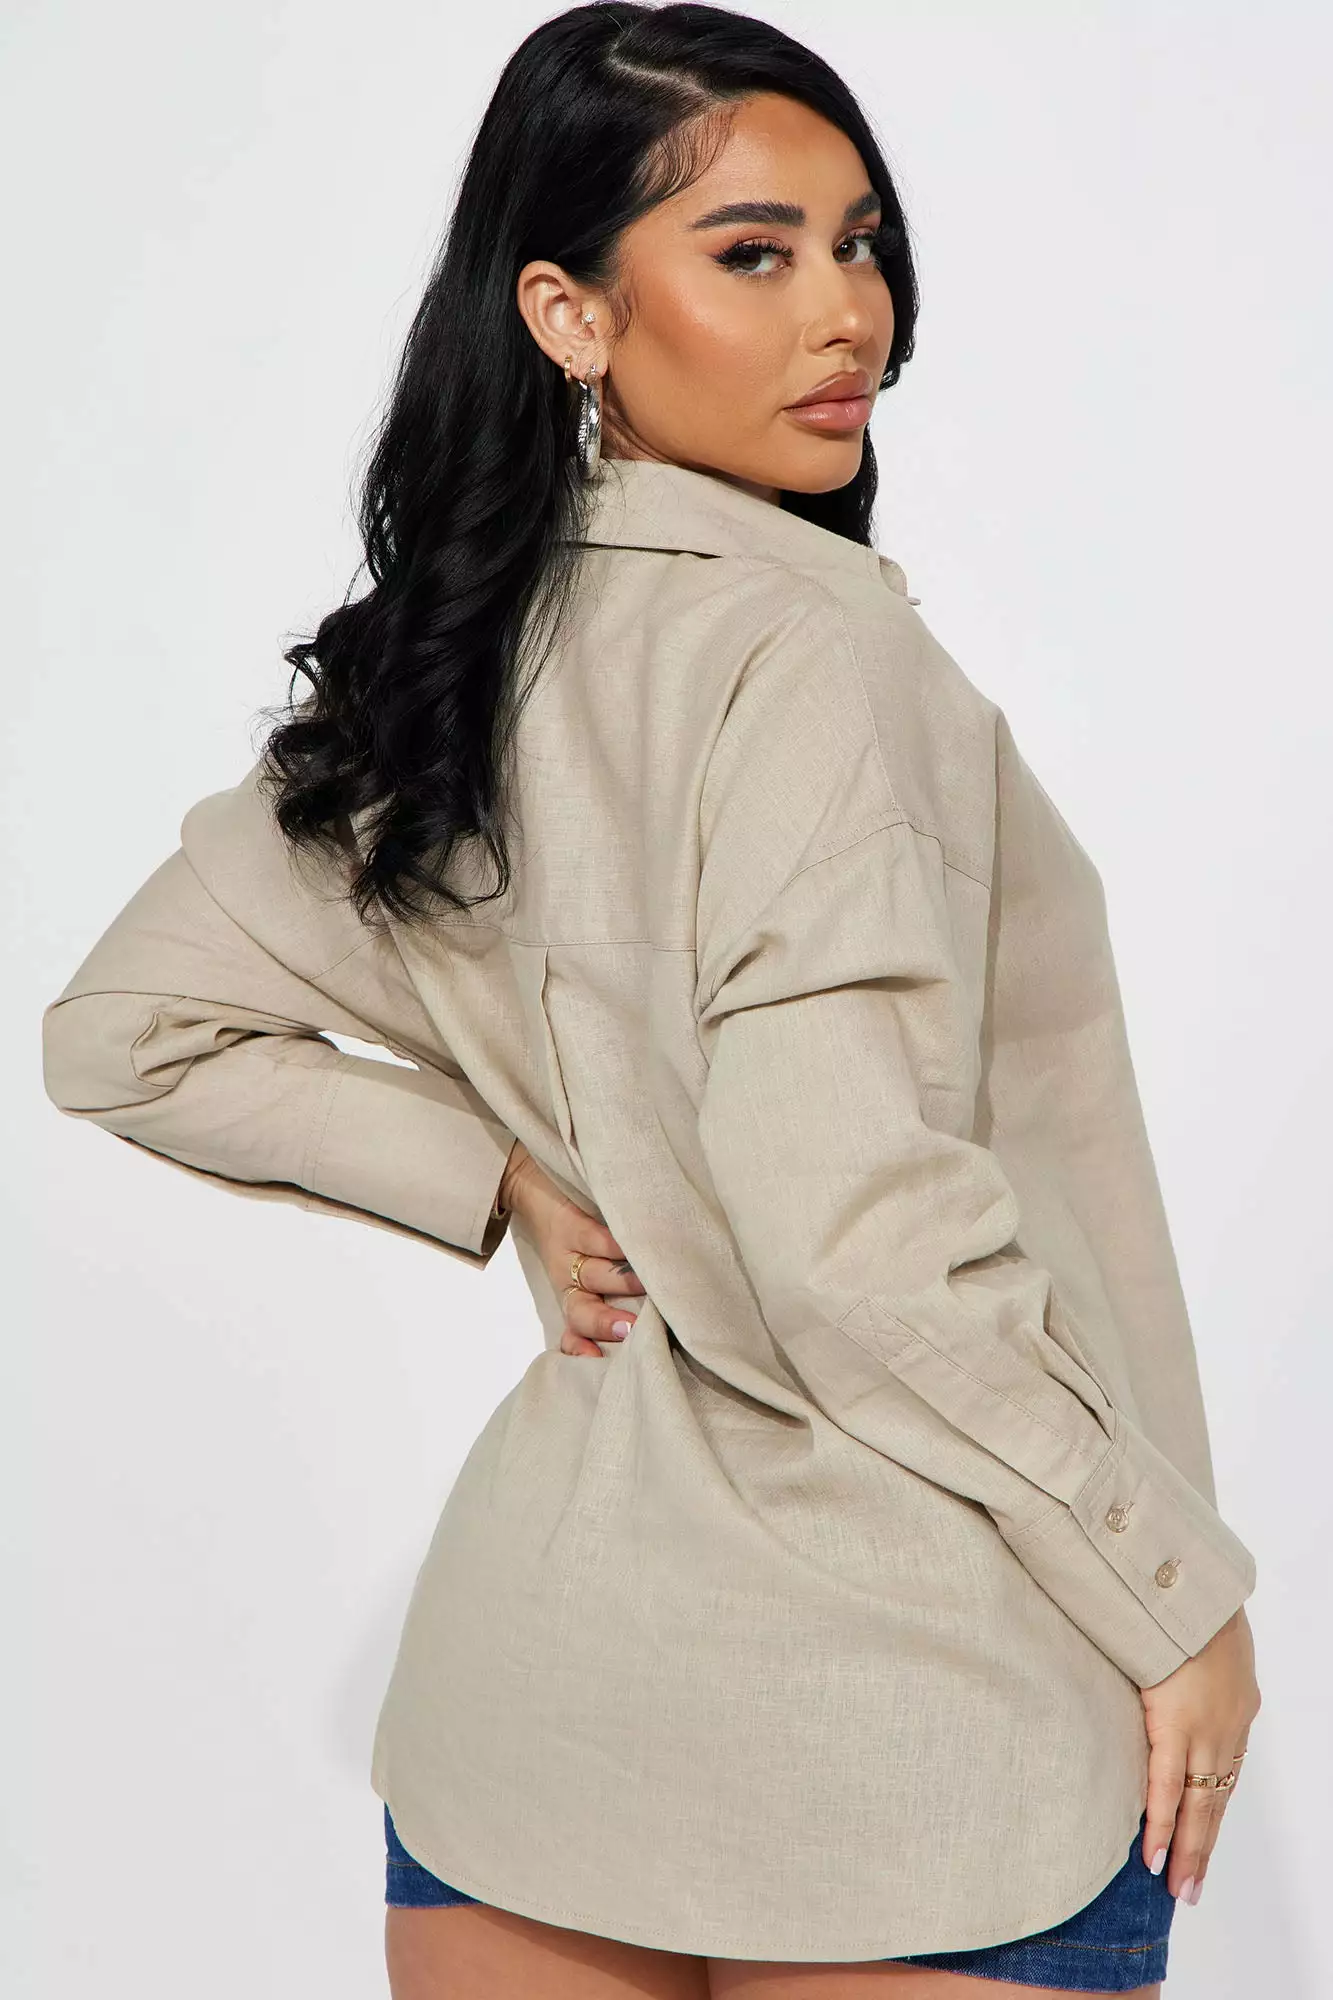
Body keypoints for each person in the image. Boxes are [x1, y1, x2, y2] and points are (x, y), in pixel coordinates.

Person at [41, 6, 1261, 1997]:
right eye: (752, 253)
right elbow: (852, 1237)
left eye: (859, 243)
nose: (845, 311)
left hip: (535, 1708)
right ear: (569, 313)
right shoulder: (818, 651)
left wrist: (501, 1172)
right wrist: (1168, 1584)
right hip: (916, 1710)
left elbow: (126, 1028)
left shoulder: (444, 669)